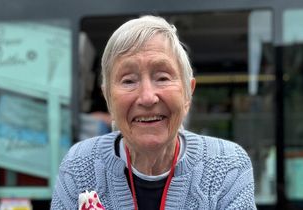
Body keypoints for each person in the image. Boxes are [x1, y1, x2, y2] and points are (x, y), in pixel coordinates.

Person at [51, 15, 256, 210]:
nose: (148, 97)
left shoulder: (228, 165)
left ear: (187, 94)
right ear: (108, 99)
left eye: (163, 78)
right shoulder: (79, 165)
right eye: (129, 81)